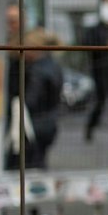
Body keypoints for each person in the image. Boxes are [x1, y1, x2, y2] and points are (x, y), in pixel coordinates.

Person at [5, 29, 64, 172]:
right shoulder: (53, 65)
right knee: (38, 161)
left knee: (28, 164)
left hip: (34, 125)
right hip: (49, 122)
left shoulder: (36, 70)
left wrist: (14, 104)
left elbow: (30, 100)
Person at [80, 2, 108, 143]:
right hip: (101, 72)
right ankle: (90, 128)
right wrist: (105, 46)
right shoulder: (95, 30)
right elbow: (87, 44)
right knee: (101, 102)